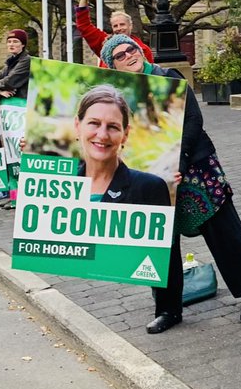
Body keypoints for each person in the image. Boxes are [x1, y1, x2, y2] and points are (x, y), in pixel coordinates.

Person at [102, 33, 241, 331]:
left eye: (132, 49)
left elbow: (192, 120)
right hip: (155, 175)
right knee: (160, 240)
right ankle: (168, 309)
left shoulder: (168, 77)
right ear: (113, 65)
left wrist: (179, 161)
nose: (129, 56)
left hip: (194, 167)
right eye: (120, 55)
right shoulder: (116, 98)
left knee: (223, 229)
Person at [74, 83, 175, 325]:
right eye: (94, 123)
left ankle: (168, 310)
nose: (102, 135)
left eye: (113, 127)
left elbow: (162, 257)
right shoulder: (56, 185)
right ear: (77, 126)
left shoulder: (149, 187)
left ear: (125, 134)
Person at [76, 0, 155, 68]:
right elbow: (84, 26)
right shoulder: (104, 43)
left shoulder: (144, 50)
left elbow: (150, 75)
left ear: (130, 26)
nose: (119, 28)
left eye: (122, 24)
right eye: (115, 26)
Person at [0, 29, 31, 100]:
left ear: (23, 44)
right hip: (7, 108)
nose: (11, 44)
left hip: (21, 106)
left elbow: (10, 82)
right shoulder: (8, 63)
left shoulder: (26, 61)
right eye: (9, 42)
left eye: (15, 41)